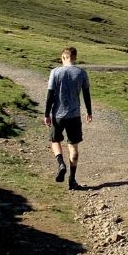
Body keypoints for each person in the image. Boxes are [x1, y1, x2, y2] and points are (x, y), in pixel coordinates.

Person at [45, 46, 92, 190]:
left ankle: (60, 163)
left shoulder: (55, 72)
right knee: (73, 146)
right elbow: (86, 94)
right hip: (74, 115)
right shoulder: (82, 73)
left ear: (64, 57)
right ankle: (72, 180)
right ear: (75, 57)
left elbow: (50, 95)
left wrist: (46, 114)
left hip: (58, 114)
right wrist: (89, 112)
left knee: (55, 140)